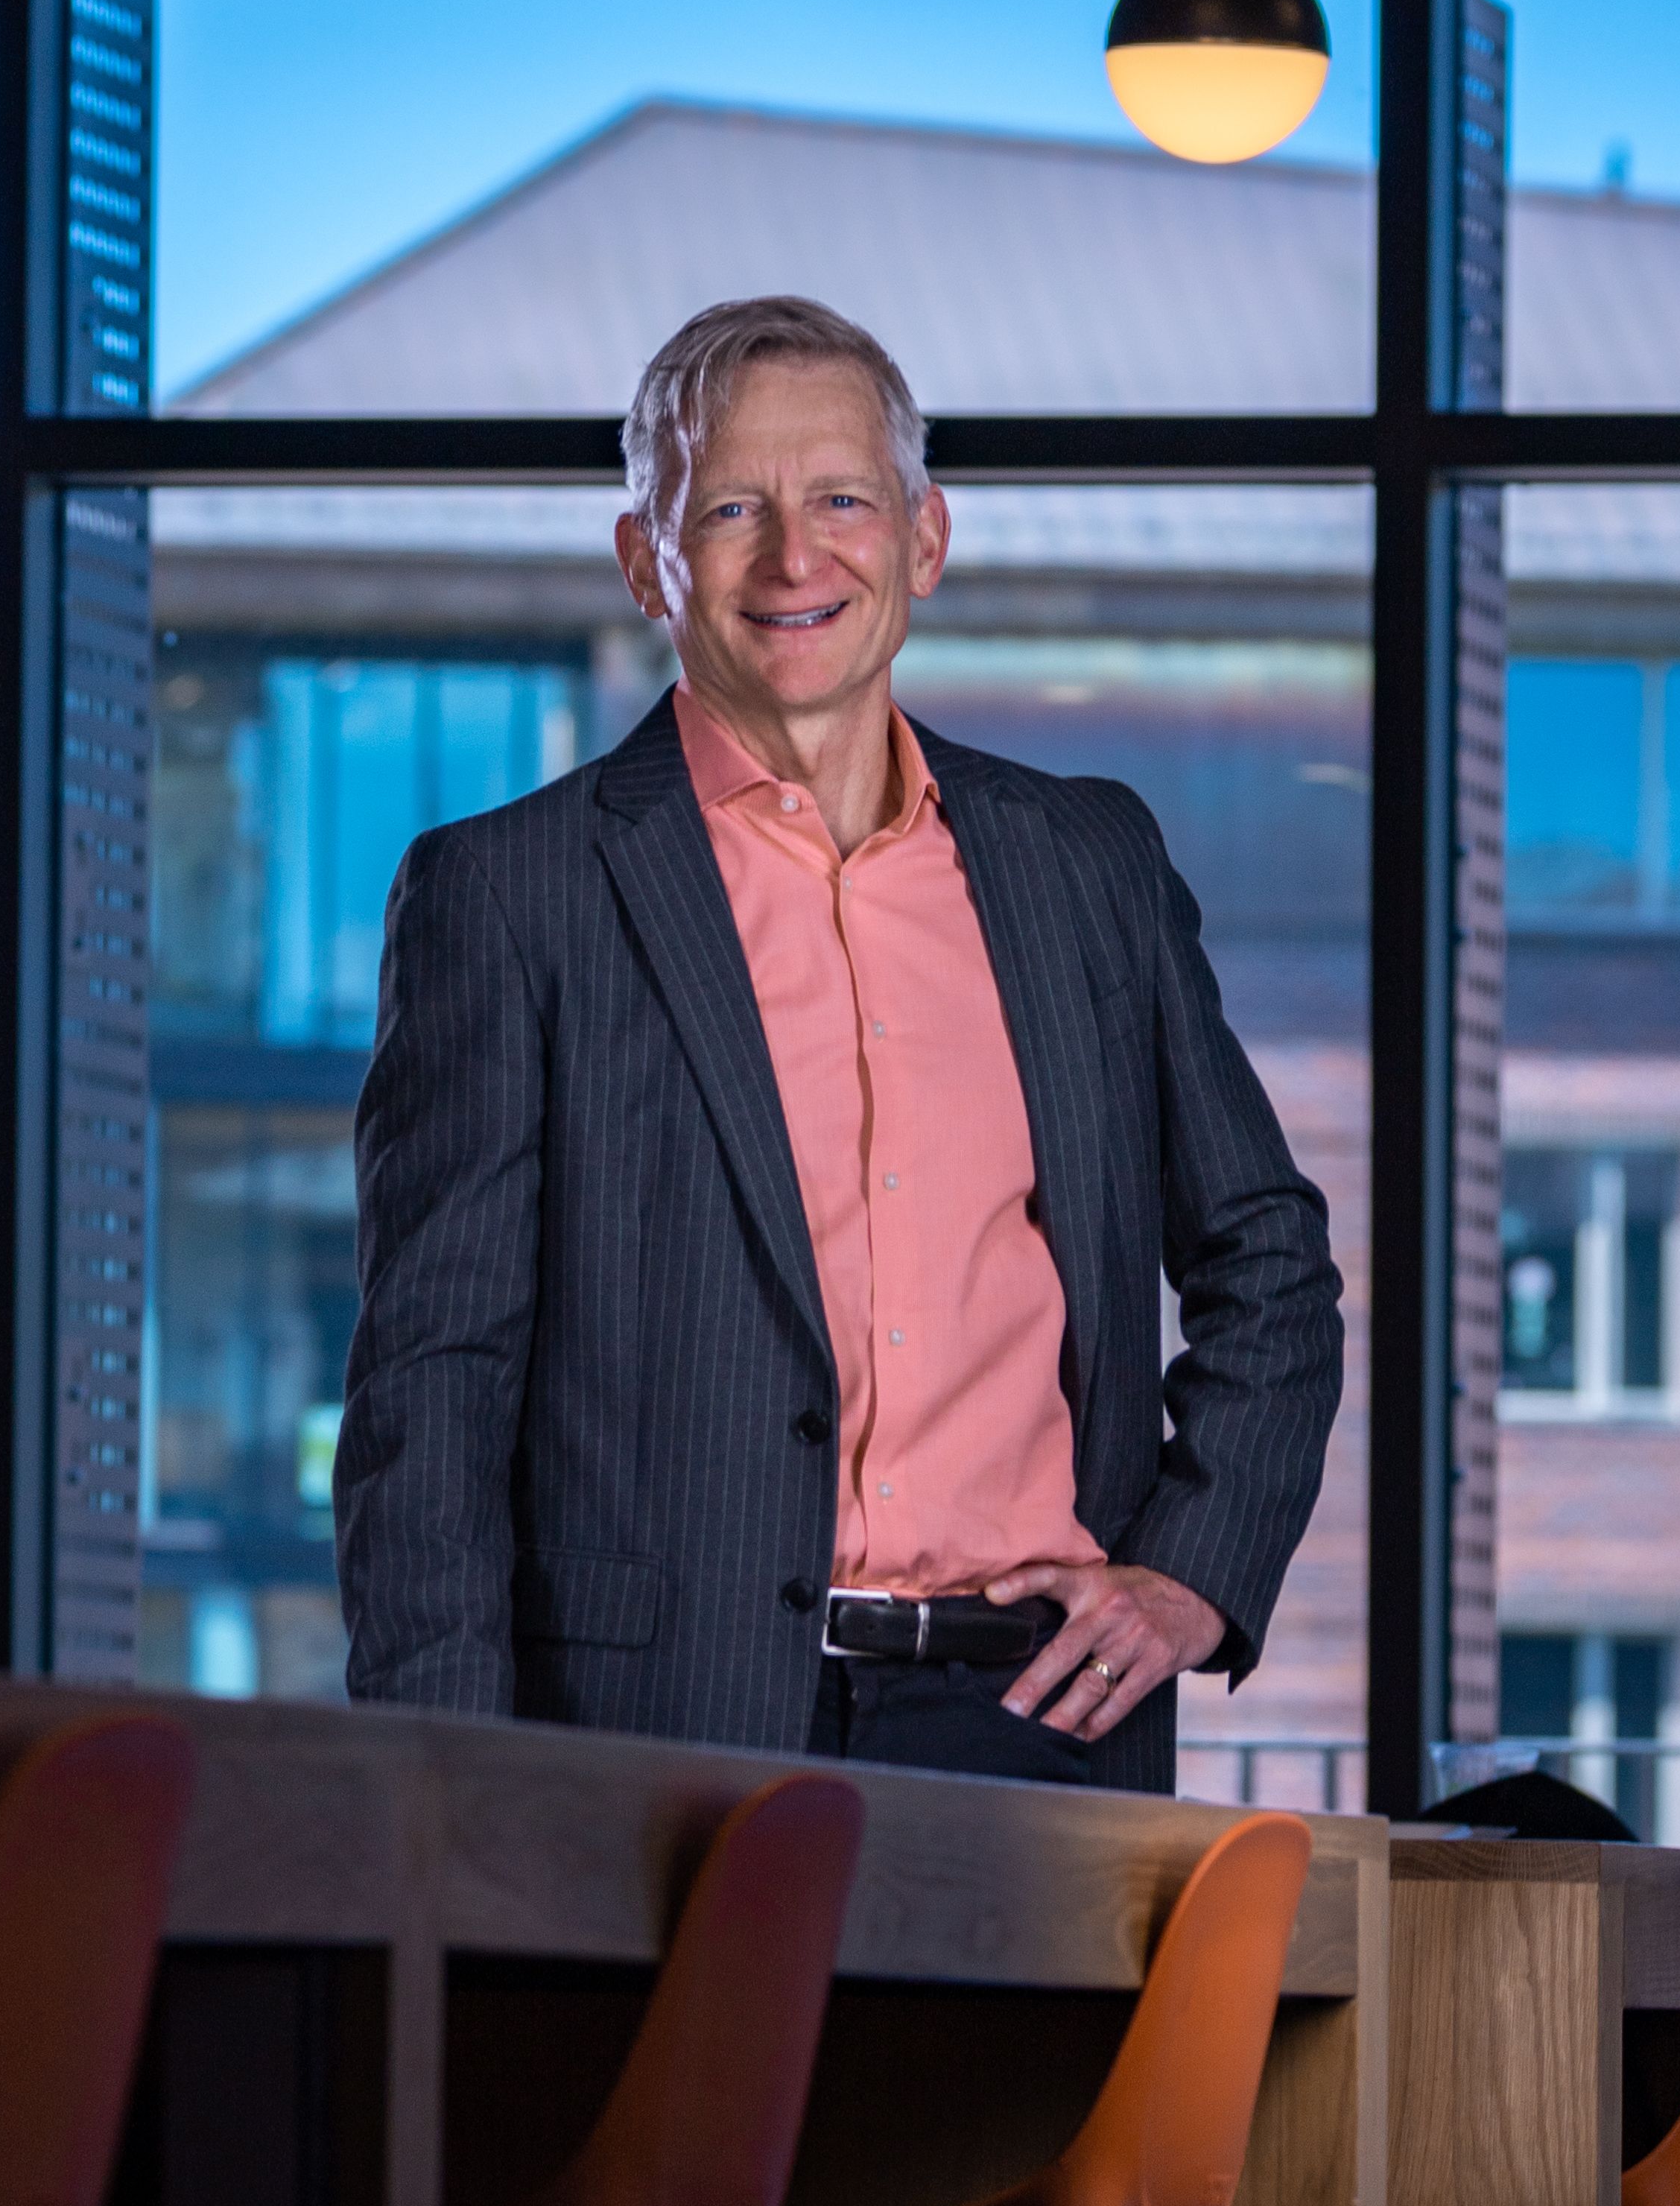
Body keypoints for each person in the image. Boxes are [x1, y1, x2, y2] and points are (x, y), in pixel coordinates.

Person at [334, 295, 1343, 1793]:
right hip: (655, 1730)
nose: (794, 559)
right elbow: (431, 1392)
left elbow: (1268, 1257)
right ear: (645, 561)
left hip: (1041, 1723)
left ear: (924, 540)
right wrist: (445, 1790)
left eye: (843, 502)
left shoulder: (1085, 866)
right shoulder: (511, 894)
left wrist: (1195, 1569)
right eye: (731, 508)